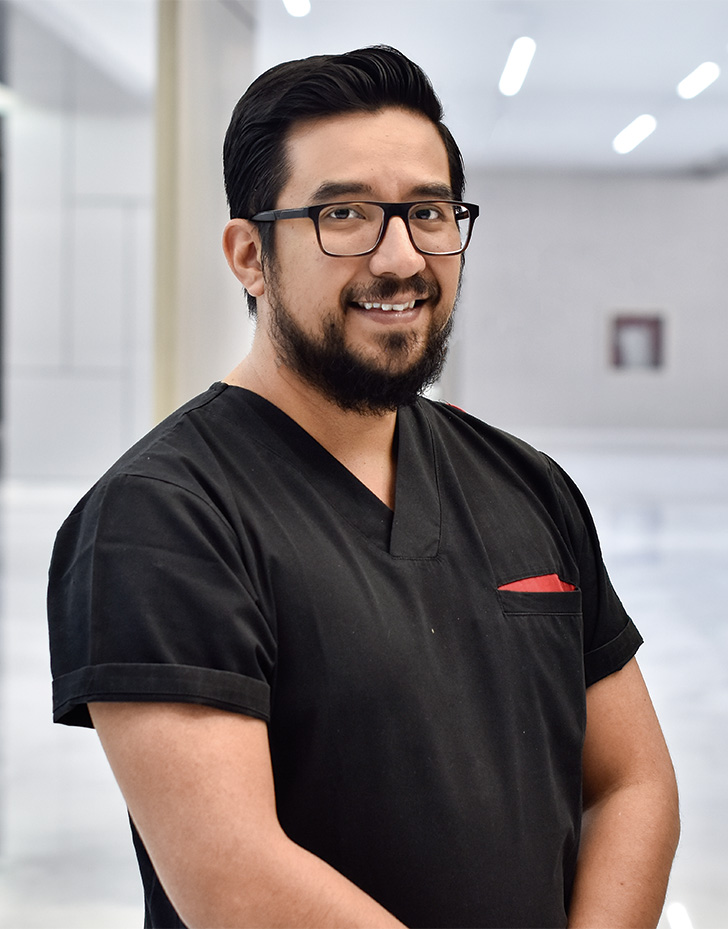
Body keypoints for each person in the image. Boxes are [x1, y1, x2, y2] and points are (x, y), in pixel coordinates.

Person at [47, 46, 680, 929]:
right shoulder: (161, 517)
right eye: (343, 213)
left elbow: (632, 781)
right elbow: (236, 880)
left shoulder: (528, 484)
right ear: (249, 254)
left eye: (428, 211)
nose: (400, 257)